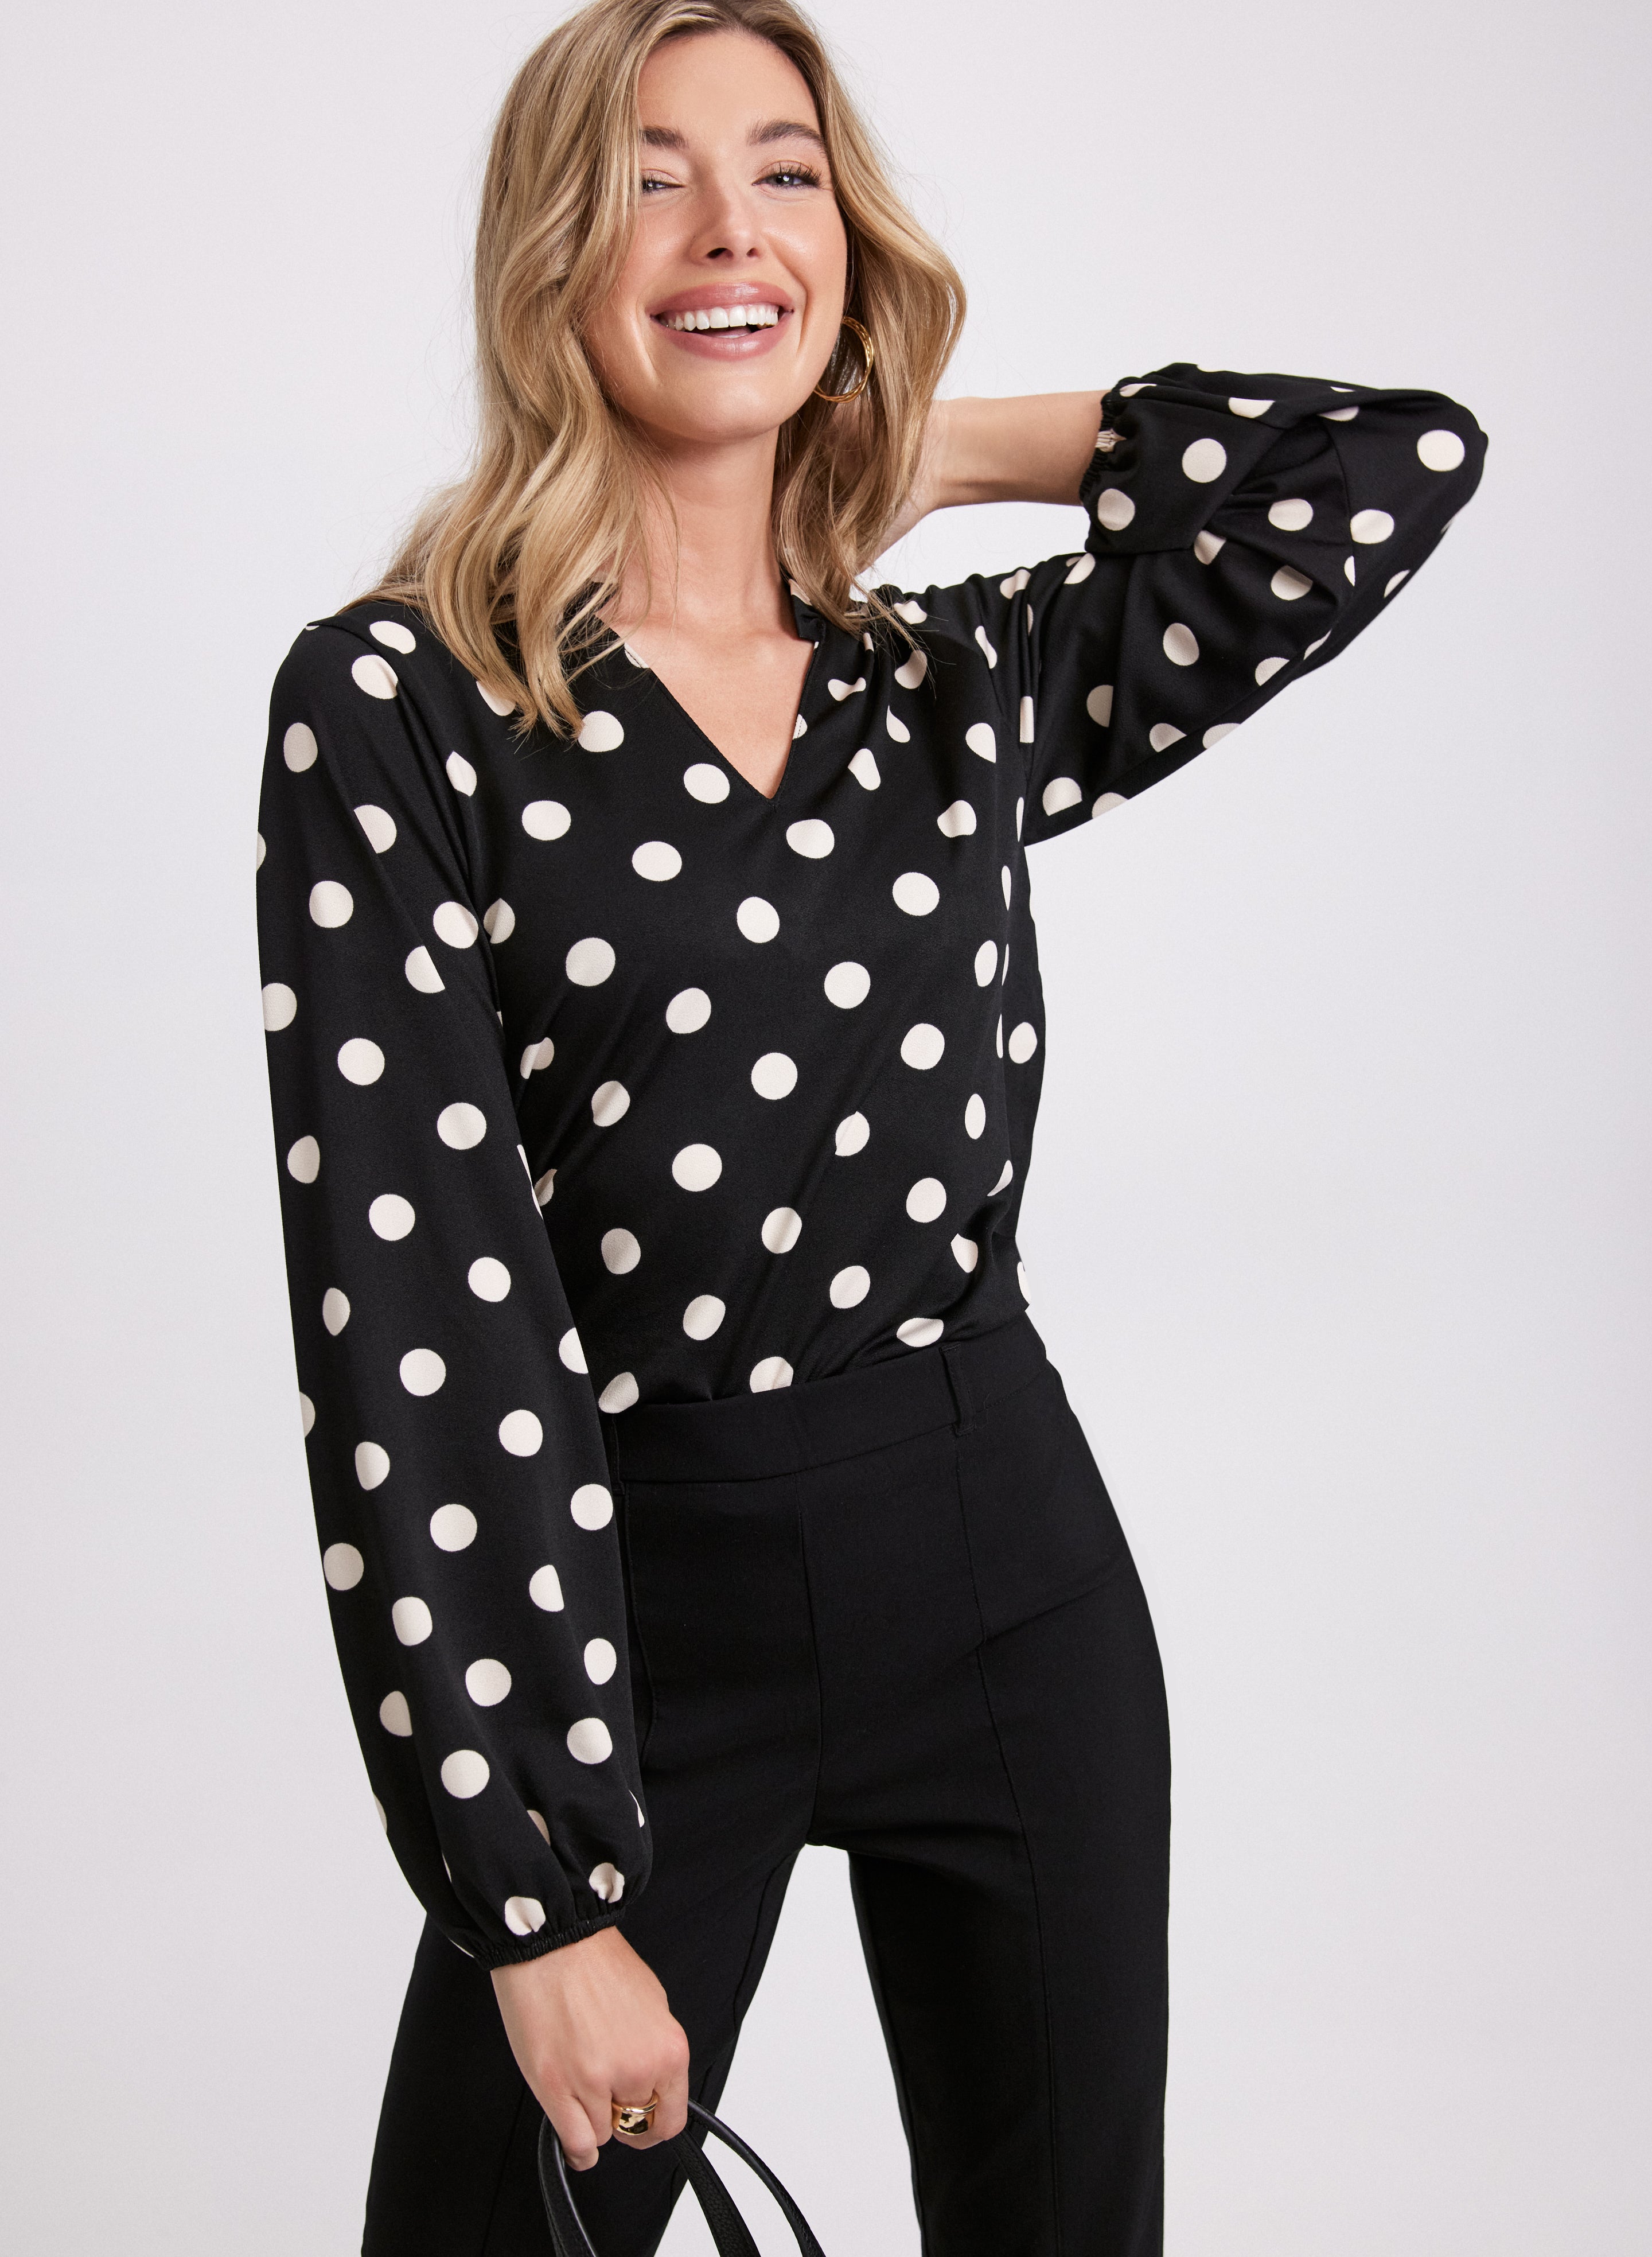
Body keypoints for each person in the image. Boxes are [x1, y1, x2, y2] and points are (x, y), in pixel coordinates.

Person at [255, 2, 1486, 2249]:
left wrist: (936, 443)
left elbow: (1394, 468)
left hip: (1008, 1560)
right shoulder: (405, 704)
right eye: (652, 177)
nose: (730, 229)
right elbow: (415, 1316)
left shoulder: (950, 687)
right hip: (640, 1612)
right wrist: (530, 1902)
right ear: (550, 251)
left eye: (787, 173)